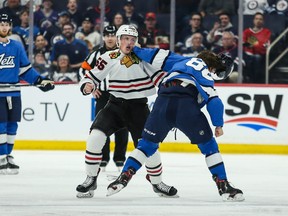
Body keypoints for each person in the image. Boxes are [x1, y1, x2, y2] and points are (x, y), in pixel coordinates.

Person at [106, 46, 245, 202]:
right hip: (186, 107)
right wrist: (218, 124)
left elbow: (154, 55)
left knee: (146, 146)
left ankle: (124, 176)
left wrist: (134, 49)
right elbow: (214, 101)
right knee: (209, 147)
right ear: (211, 67)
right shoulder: (205, 71)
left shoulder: (182, 60)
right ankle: (223, 185)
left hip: (162, 103)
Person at [76, 24, 178, 198]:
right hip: (114, 106)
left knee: (150, 147)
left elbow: (159, 77)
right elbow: (92, 76)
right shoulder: (109, 56)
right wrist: (87, 85)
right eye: (125, 39)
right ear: (118, 40)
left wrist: (171, 85)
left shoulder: (144, 57)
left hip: (139, 108)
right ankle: (91, 178)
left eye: (132, 39)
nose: (129, 42)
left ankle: (157, 182)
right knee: (95, 138)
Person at [0, 13, 54, 175]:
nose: (4, 27)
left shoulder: (16, 46)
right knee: (1, 125)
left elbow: (25, 70)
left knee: (12, 125)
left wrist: (40, 81)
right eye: (1, 24)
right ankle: (1, 157)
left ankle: (9, 155)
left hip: (15, 93)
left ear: (10, 26)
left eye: (6, 24)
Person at [79, 25, 129, 171]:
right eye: (107, 35)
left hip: (121, 95)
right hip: (102, 95)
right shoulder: (96, 54)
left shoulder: (125, 53)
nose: (110, 38)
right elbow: (84, 70)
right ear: (103, 37)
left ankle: (120, 160)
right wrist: (92, 87)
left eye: (113, 35)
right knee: (102, 128)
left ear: (117, 37)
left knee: (122, 128)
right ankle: (103, 159)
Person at [243, 12, 271, 83]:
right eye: (256, 19)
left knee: (257, 58)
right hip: (246, 55)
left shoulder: (266, 32)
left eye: (260, 19)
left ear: (263, 21)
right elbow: (243, 44)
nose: (258, 21)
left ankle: (254, 82)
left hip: (260, 56)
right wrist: (257, 42)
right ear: (253, 20)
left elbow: (263, 46)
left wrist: (251, 42)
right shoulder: (247, 31)